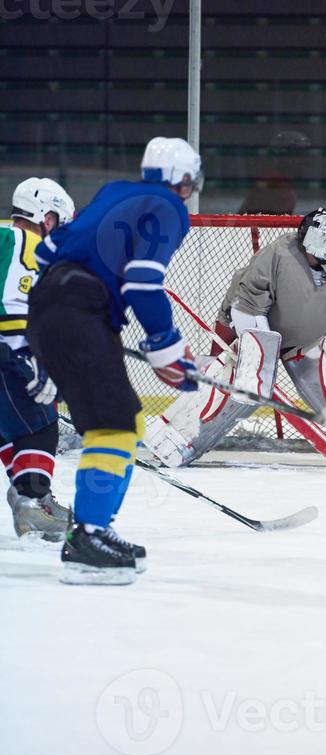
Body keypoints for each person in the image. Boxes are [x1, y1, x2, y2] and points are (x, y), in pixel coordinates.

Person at [27, 137, 202, 585]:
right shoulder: (169, 206)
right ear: (185, 180)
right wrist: (167, 347)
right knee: (115, 427)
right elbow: (143, 283)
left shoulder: (111, 193)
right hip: (79, 310)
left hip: (53, 307)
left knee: (129, 422)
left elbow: (46, 253)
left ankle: (97, 528)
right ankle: (87, 538)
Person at [145, 208, 326, 472]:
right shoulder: (278, 256)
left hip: (306, 340)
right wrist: (258, 355)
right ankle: (174, 440)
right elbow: (246, 305)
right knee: (240, 386)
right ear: (315, 242)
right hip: (255, 329)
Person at [0, 177, 75, 541]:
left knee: (9, 426)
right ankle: (30, 502)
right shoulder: (22, 241)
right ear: (46, 217)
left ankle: (34, 497)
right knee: (40, 422)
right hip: (5, 349)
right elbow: (14, 309)